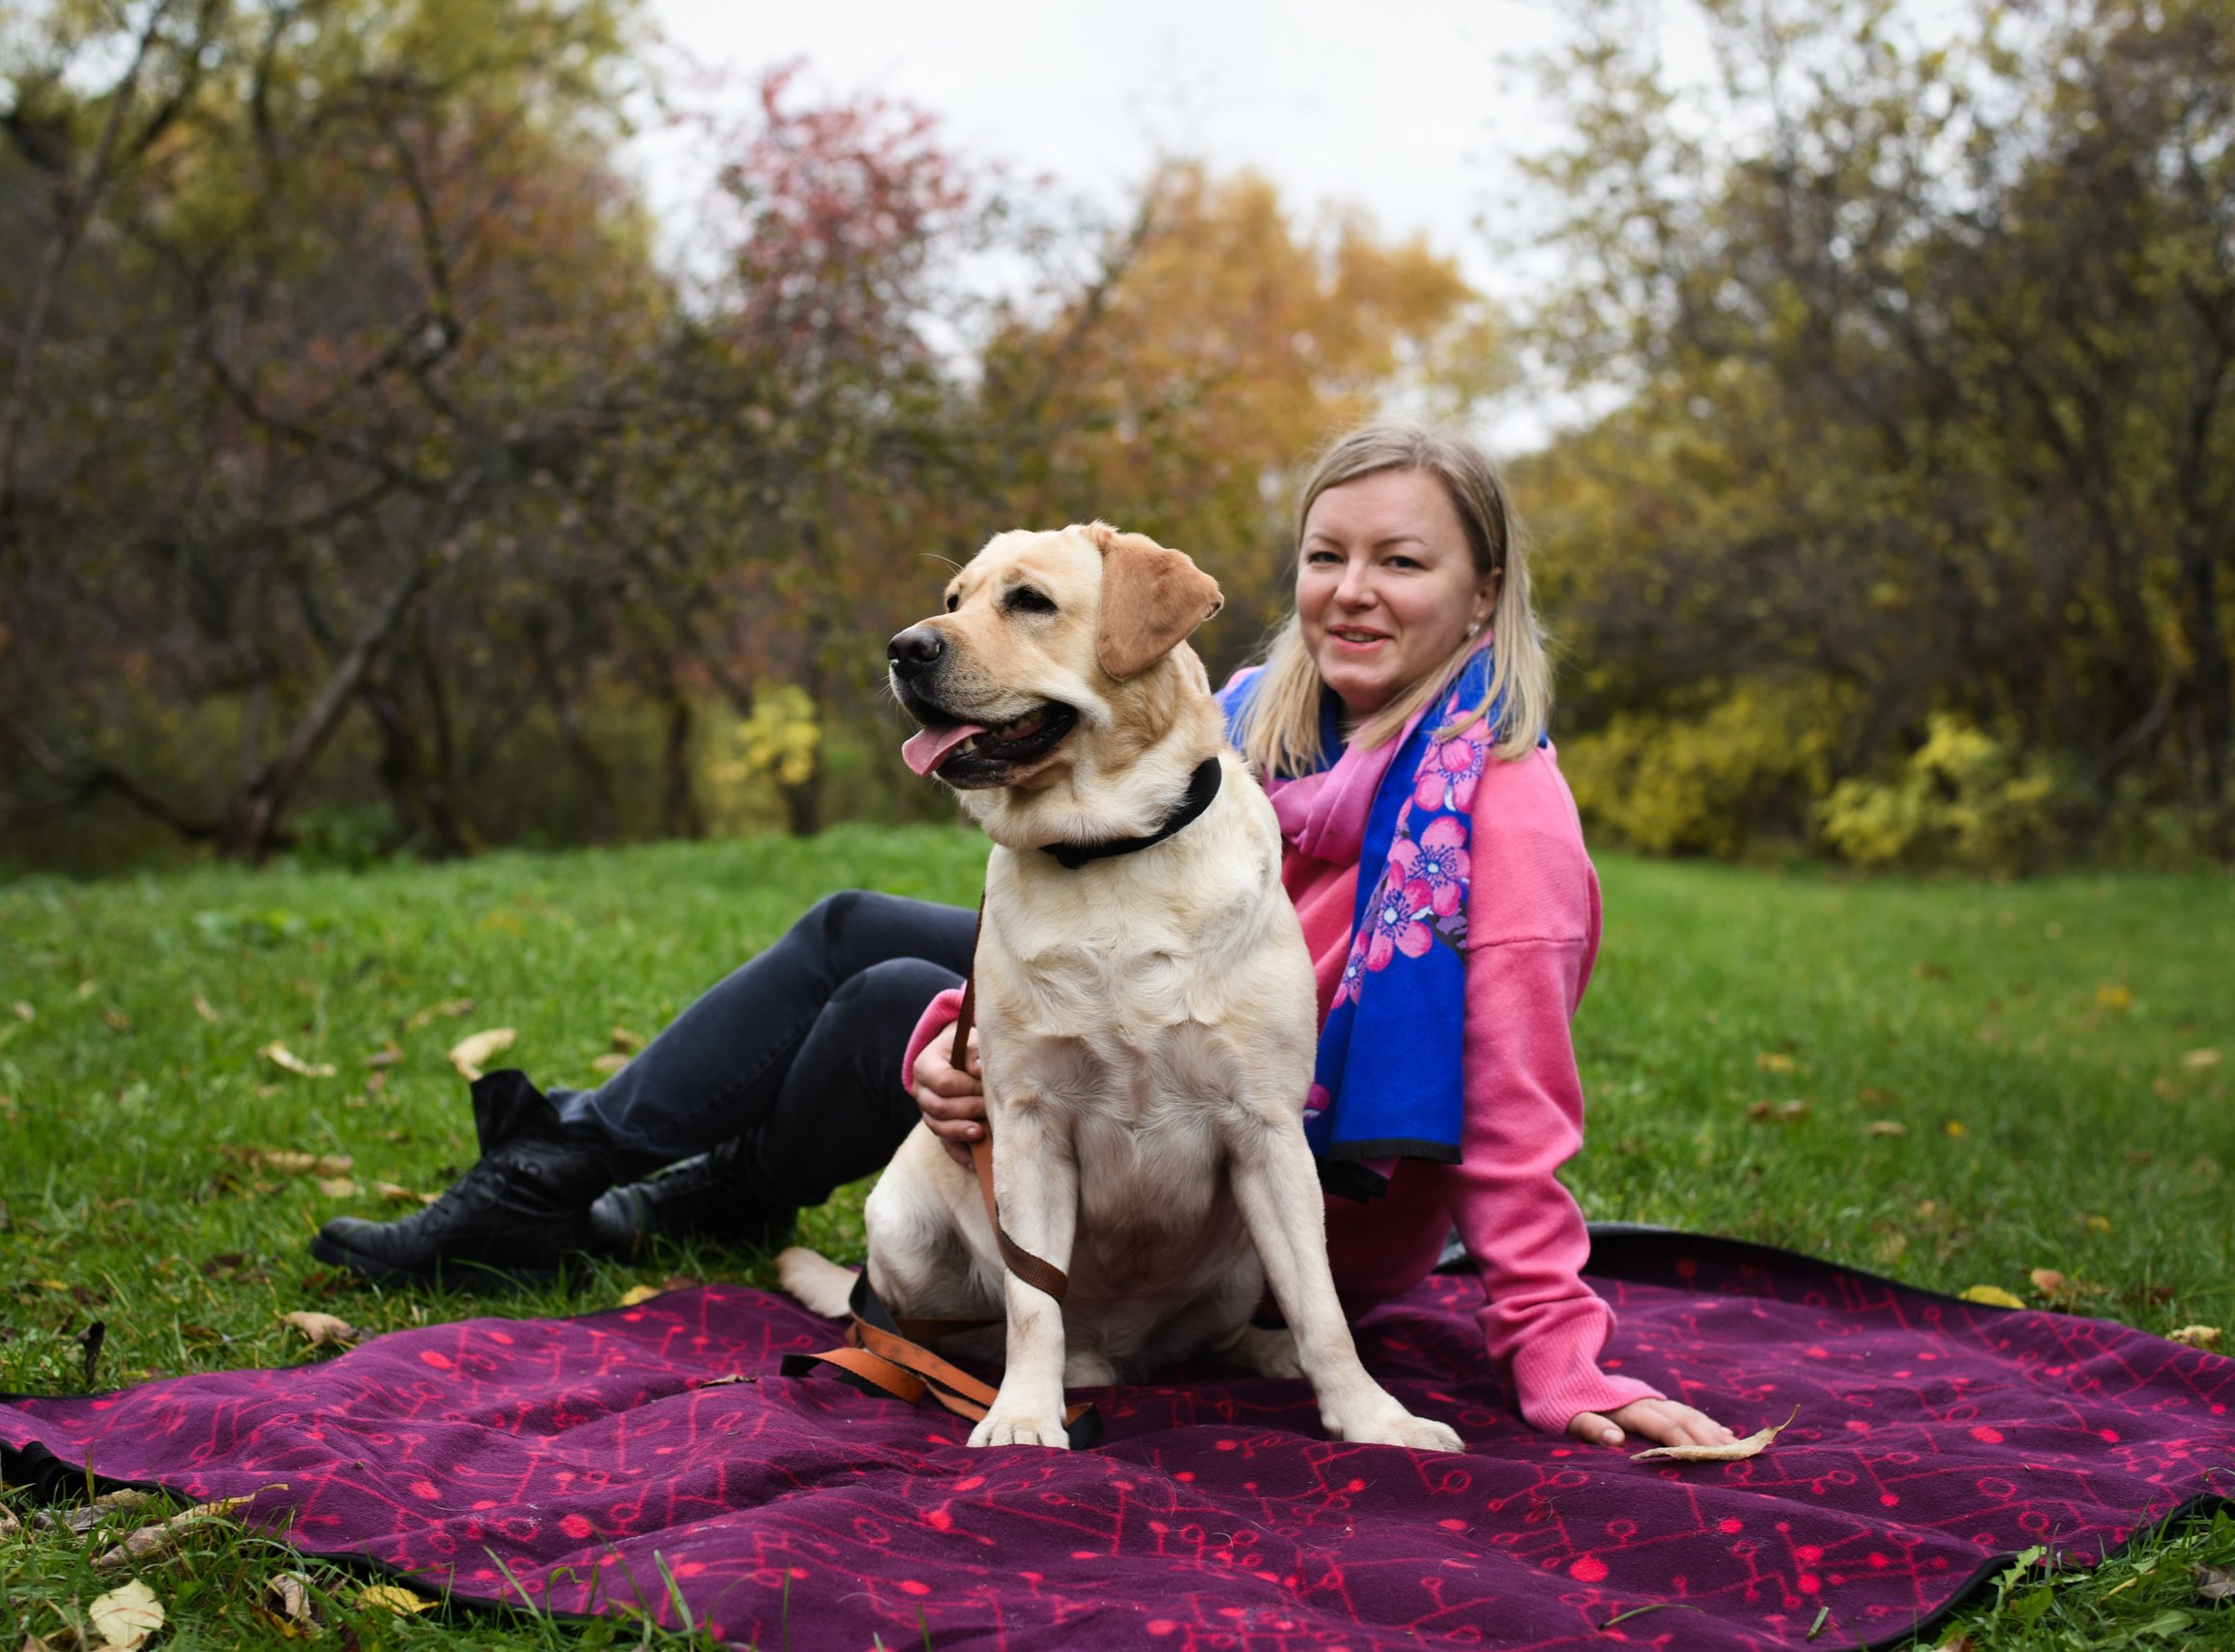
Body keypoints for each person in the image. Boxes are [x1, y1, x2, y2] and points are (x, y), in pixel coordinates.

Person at [315, 420, 1732, 1451]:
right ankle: (596, 1171)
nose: (1352, 590)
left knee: (881, 991)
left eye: (1402, 562)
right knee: (861, 940)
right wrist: (963, 1042)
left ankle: (651, 1183)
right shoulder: (1252, 720)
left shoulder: (1505, 811)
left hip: (1281, 1190)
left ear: (1482, 594)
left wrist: (1558, 1356)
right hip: (1126, 1055)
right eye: (1326, 554)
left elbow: (1519, 1112)